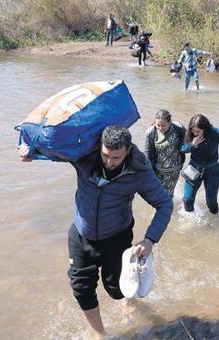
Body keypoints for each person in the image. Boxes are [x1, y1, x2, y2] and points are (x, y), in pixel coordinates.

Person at [18, 126, 173, 339]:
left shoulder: (139, 171)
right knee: (81, 288)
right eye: (106, 155)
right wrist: (32, 152)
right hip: (81, 235)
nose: (109, 161)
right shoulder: (84, 156)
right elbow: (57, 149)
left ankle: (129, 301)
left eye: (116, 157)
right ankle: (99, 332)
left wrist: (149, 240)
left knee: (117, 290)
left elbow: (164, 204)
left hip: (117, 237)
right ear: (100, 147)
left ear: (127, 150)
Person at [144, 110, 186, 197]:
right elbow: (148, 152)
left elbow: (187, 140)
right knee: (156, 194)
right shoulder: (151, 132)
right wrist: (148, 170)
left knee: (168, 195)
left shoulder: (178, 128)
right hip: (157, 170)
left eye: (163, 125)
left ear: (170, 122)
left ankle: (169, 208)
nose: (160, 128)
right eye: (158, 125)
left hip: (174, 170)